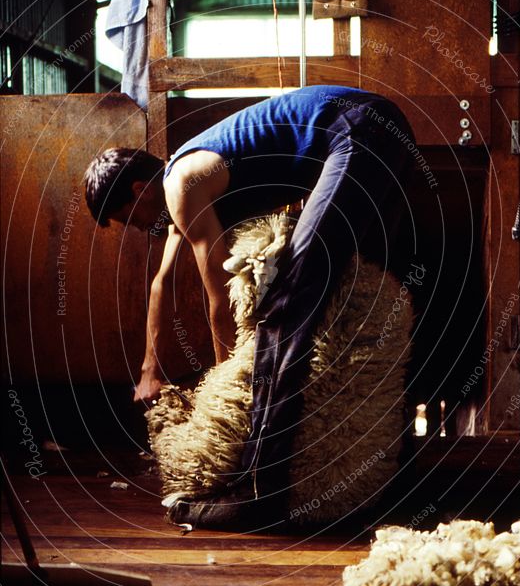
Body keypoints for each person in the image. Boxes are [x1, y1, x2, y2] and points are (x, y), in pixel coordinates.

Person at [84, 84, 415, 528]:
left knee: (288, 301)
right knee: (370, 285)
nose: (140, 229)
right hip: (381, 127)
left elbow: (218, 296)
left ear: (140, 191)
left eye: (130, 219)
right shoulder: (184, 181)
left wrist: (229, 391)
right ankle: (393, 463)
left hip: (355, 130)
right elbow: (161, 283)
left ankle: (261, 490)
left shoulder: (180, 184)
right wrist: (148, 369)